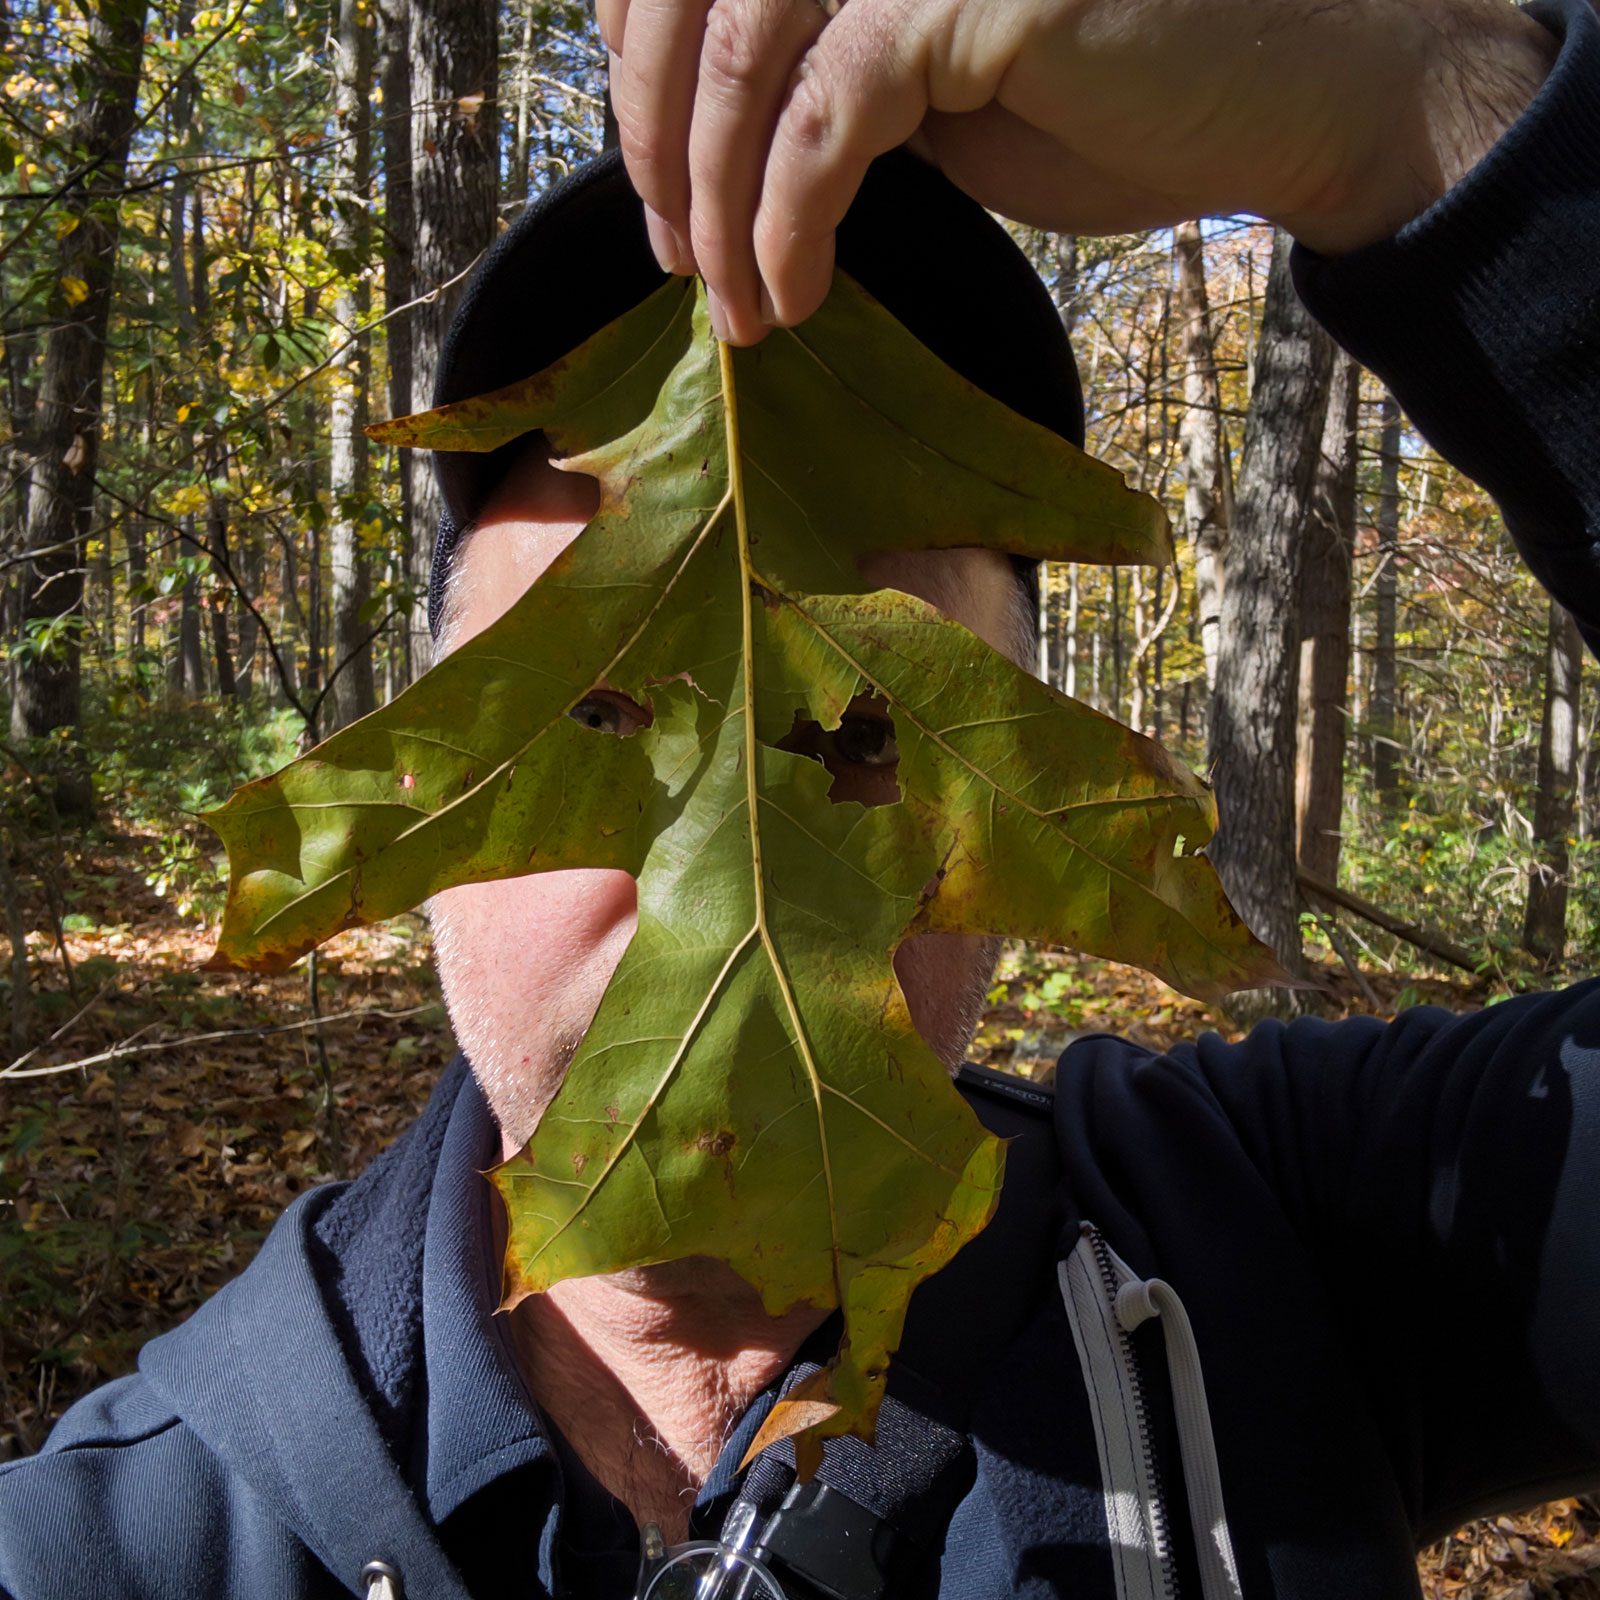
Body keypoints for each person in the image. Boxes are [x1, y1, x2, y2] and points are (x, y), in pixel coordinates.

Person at [5, 0, 1600, 1593]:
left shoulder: (1303, 1247)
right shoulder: (111, 1549)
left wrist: (1427, 121)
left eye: (872, 730)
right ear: (422, 810)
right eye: (607, 717)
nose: (737, 848)